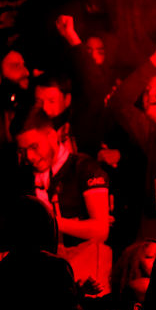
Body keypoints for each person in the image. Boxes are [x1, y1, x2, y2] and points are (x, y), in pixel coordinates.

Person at [13, 103, 112, 291]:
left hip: (86, 277)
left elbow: (100, 230)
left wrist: (50, 222)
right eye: (22, 150)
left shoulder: (84, 169)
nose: (30, 157)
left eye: (34, 147)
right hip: (42, 279)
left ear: (51, 135)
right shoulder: (22, 177)